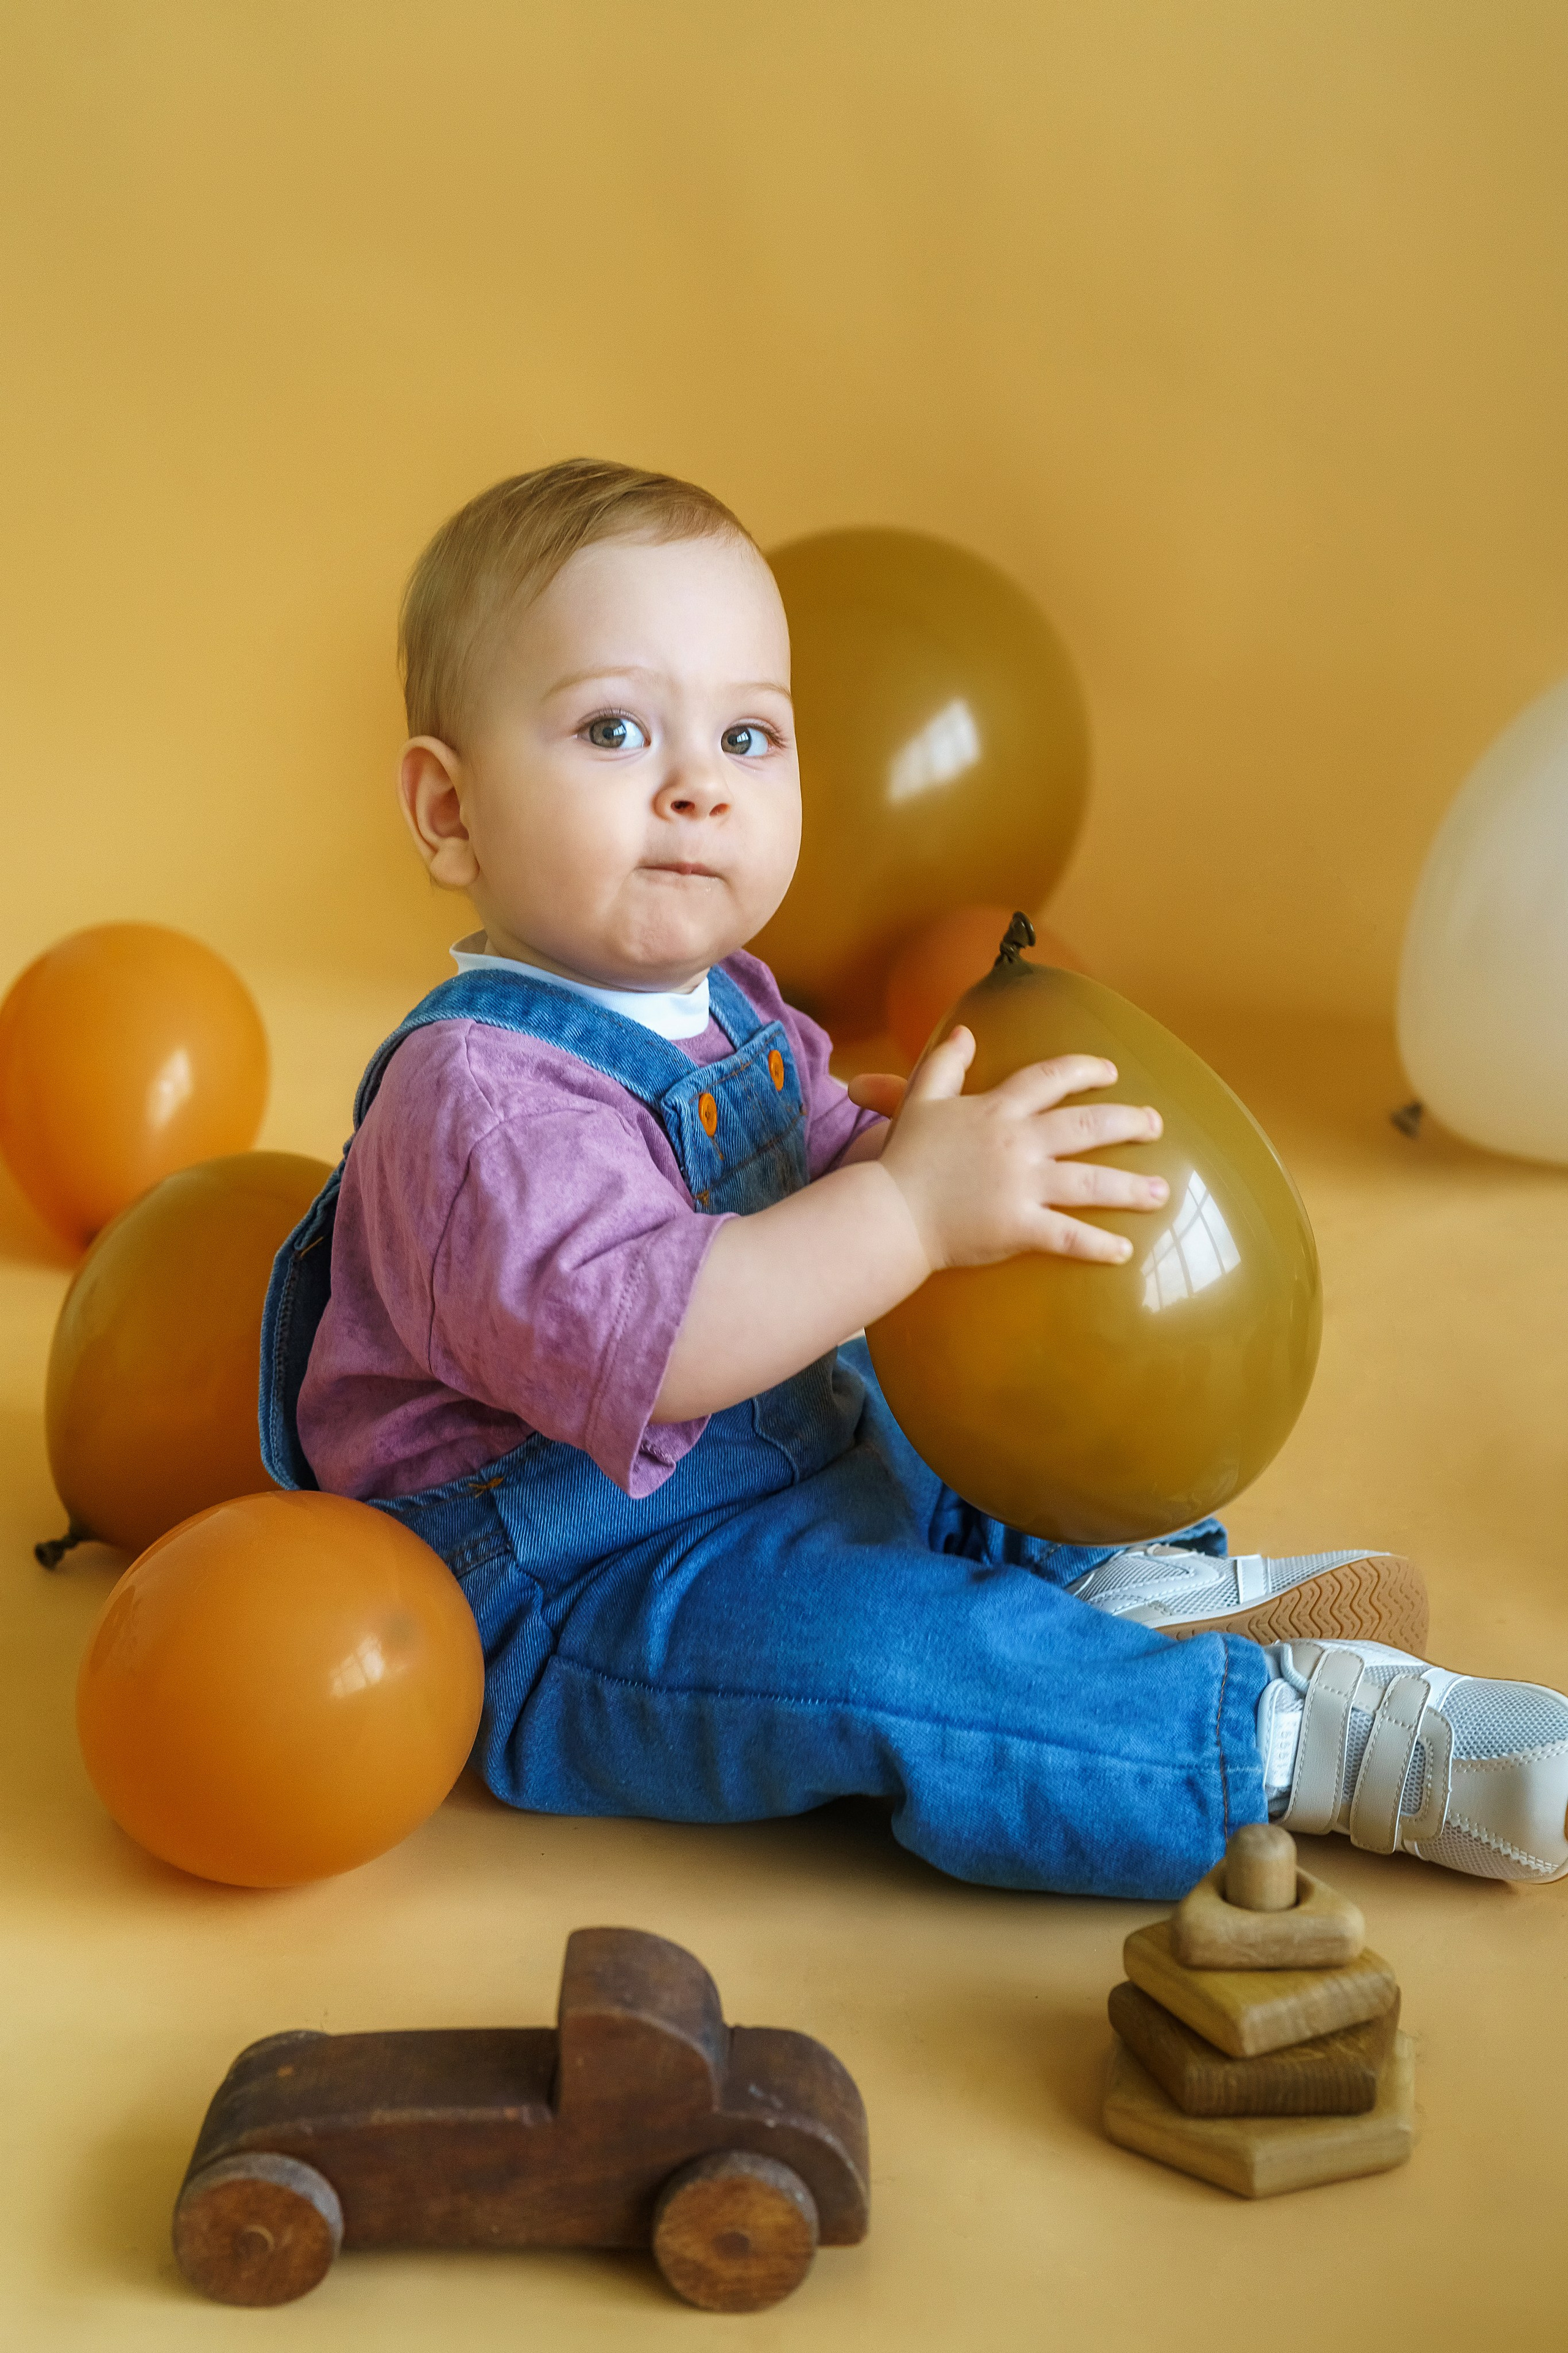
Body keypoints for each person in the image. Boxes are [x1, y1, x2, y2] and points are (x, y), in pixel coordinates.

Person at [260, 459, 1568, 1897]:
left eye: (748, 735)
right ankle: (1287, 1738)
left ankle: (1114, 1580)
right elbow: (674, 1342)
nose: (697, 785)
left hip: (799, 1458)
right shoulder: (479, 1103)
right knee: (892, 1662)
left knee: (941, 1408)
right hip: (581, 1588)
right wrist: (903, 1208)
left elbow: (811, 1162)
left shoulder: (730, 1002)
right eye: (614, 729)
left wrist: (912, 1157)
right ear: (448, 809)